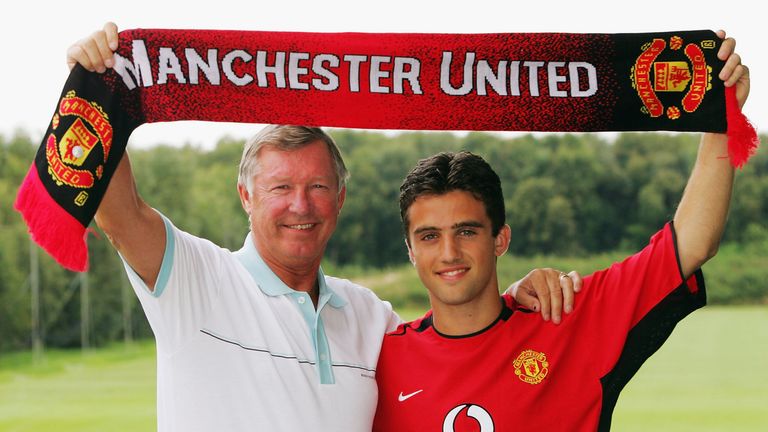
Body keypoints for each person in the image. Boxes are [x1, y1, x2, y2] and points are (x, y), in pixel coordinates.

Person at [65, 23, 582, 431]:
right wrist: (93, 88)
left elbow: (454, 341)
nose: (300, 205)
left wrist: (512, 297)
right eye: (280, 188)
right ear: (245, 195)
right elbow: (119, 212)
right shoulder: (197, 280)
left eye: (316, 187)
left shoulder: (369, 316)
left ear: (340, 199)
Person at [372, 30, 749, 431]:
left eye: (466, 231)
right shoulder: (377, 361)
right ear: (410, 250)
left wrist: (721, 121)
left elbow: (692, 243)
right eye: (429, 236)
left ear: (500, 238)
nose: (448, 252)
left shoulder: (568, 321)